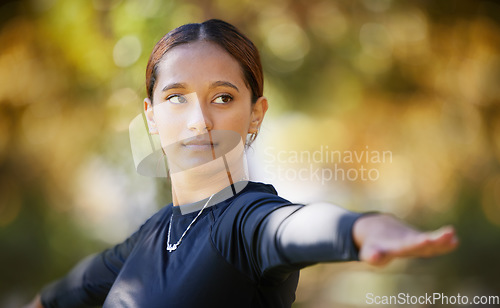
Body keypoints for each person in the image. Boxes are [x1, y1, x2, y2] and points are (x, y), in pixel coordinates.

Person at [25, 19, 458, 308]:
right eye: (176, 97)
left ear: (256, 114)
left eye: (223, 98)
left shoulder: (245, 221)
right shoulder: (154, 233)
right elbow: (62, 295)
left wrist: (359, 229)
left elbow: (291, 228)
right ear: (151, 115)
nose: (199, 121)